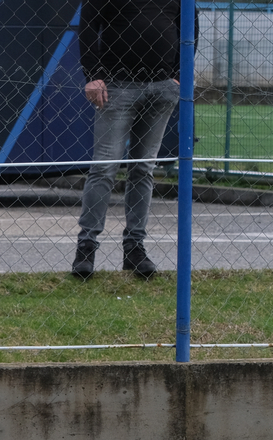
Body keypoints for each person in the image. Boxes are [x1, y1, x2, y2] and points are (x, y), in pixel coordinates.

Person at [71, 0, 193, 280]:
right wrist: (93, 76)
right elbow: (88, 25)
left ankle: (135, 249)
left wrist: (178, 75)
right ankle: (86, 248)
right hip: (116, 86)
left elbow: (190, 28)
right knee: (104, 168)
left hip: (162, 87)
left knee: (143, 169)